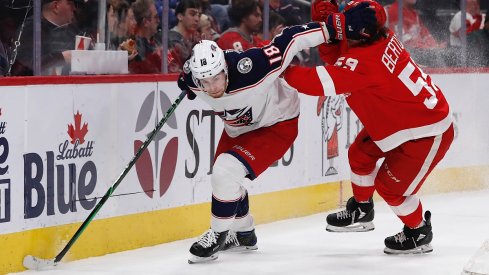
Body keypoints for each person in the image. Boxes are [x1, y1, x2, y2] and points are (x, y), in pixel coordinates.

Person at [177, 3, 377, 263]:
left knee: (225, 172)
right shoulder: (194, 77)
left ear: (225, 68)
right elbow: (189, 80)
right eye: (205, 82)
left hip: (277, 123)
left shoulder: (252, 66)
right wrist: (192, 84)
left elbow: (290, 38)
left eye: (216, 78)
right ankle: (244, 233)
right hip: (238, 128)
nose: (212, 87)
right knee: (226, 179)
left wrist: (332, 28)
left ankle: (217, 235)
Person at [283, 0, 454, 255]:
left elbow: (317, 81)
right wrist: (326, 14)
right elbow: (340, 54)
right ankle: (362, 210)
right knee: (359, 155)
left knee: (389, 187)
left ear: (356, 36)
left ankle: (418, 231)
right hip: (404, 122)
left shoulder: (364, 62)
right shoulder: (380, 35)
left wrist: (278, 68)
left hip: (427, 132)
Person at [10, 0, 78, 76]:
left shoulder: (71, 33)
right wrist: (61, 57)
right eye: (70, 4)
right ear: (56, 6)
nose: (74, 8)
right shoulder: (31, 29)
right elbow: (24, 67)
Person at [167, 0, 202, 73]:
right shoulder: (169, 40)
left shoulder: (194, 39)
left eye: (199, 15)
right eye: (192, 14)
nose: (197, 19)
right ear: (180, 16)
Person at [129, 0, 162, 74]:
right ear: (145, 22)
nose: (158, 21)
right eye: (156, 17)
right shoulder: (133, 48)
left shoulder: (158, 42)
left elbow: (172, 65)